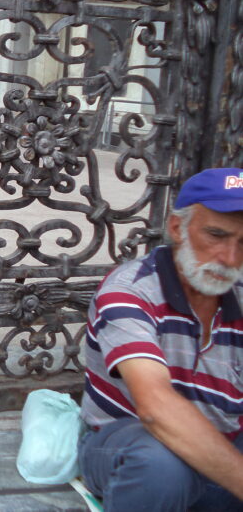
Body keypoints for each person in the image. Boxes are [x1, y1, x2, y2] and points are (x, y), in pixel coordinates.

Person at [79, 167, 243, 511]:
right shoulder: (130, 290)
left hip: (225, 448)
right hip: (129, 446)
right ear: (177, 228)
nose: (229, 259)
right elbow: (155, 407)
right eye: (216, 235)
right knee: (160, 465)